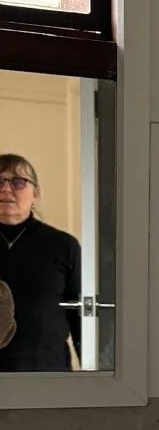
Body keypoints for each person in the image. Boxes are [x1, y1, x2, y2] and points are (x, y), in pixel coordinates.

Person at [0, 154, 82, 373]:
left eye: (18, 182)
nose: (6, 189)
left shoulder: (64, 245)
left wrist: (99, 376)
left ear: (35, 194)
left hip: (46, 372)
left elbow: (82, 317)